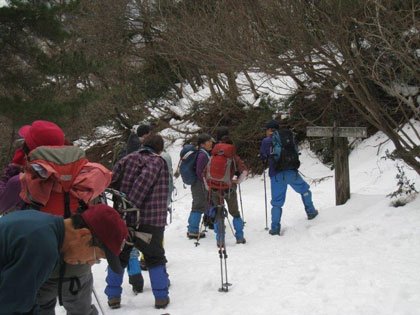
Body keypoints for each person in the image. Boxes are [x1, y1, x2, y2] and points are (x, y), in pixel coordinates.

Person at [0, 120, 108, 315]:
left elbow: (2, 203)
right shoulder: (85, 172)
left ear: (29, 147)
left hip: (37, 266)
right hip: (80, 264)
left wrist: (13, 169)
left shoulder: (25, 178)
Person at [0, 204, 128, 315]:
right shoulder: (43, 247)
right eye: (96, 257)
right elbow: (10, 306)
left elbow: (23, 301)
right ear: (84, 235)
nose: (90, 263)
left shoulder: (46, 226)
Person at [111, 134, 170, 309]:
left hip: (122, 218)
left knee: (119, 257)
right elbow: (143, 183)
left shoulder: (126, 159)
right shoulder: (157, 162)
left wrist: (121, 208)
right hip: (151, 220)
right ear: (160, 149)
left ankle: (113, 297)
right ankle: (160, 297)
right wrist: (132, 205)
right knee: (155, 258)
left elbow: (111, 182)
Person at [259, 120, 318, 235]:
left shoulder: (266, 141)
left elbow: (263, 155)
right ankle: (311, 212)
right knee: (304, 190)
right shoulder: (287, 137)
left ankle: (275, 229)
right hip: (291, 171)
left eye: (266, 130)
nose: (265, 133)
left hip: (277, 175)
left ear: (270, 130)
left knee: (277, 202)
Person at [208, 130, 248, 245]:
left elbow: (205, 173)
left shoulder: (214, 155)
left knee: (218, 213)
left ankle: (220, 240)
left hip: (214, 188)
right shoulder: (233, 157)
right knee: (235, 213)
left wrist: (208, 186)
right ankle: (239, 237)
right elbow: (245, 171)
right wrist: (237, 181)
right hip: (229, 189)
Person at [187, 133, 214, 239]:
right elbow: (199, 171)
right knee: (199, 205)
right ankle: (193, 230)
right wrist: (205, 182)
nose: (211, 143)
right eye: (209, 142)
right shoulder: (202, 155)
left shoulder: (202, 153)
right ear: (202, 144)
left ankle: (192, 227)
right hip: (199, 183)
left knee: (197, 204)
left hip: (198, 183)